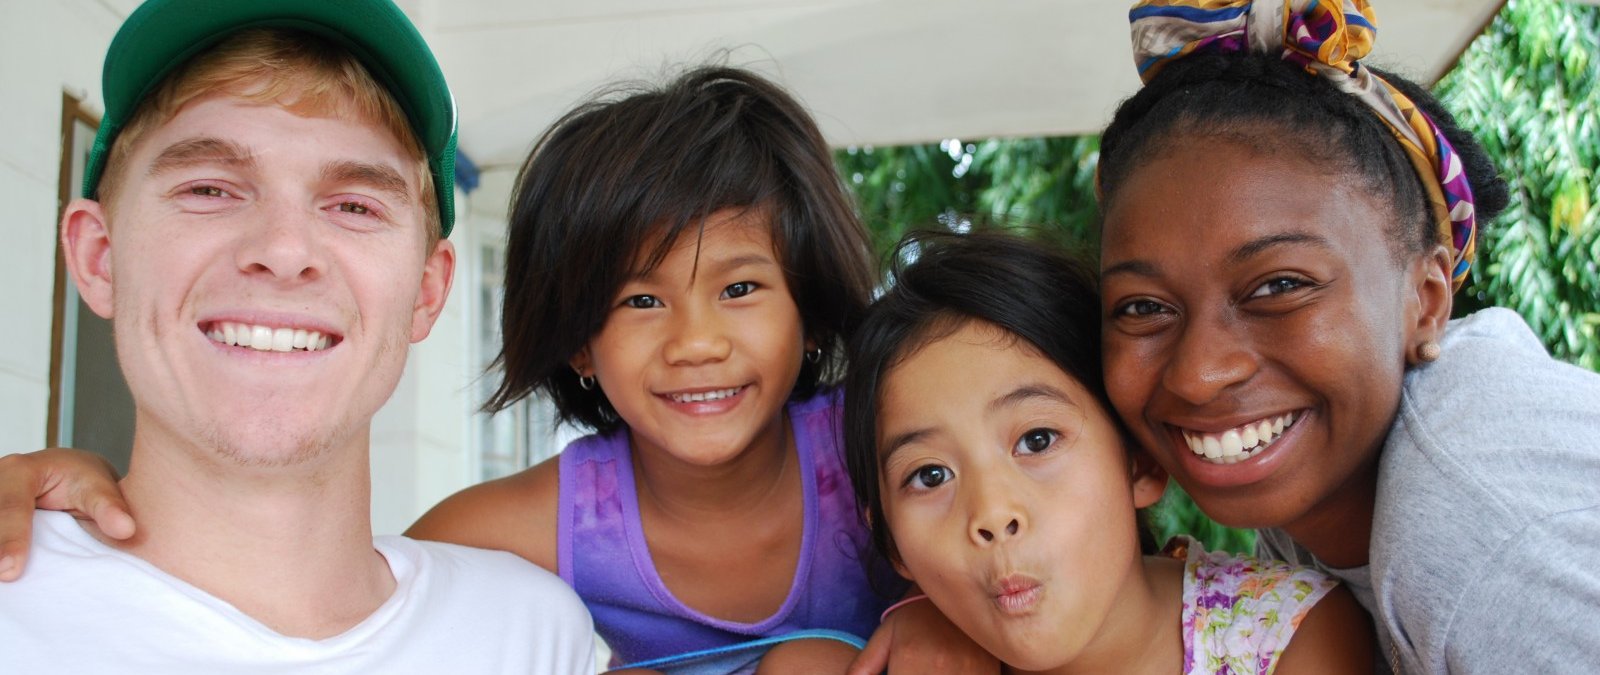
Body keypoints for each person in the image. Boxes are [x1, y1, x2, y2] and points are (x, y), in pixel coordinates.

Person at [0, 64, 993, 674]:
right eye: (639, 300)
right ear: (576, 339)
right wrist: (67, 486)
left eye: (739, 288)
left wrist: (947, 617)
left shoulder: (880, 445)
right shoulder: (506, 550)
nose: (695, 341)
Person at [0, 0, 594, 672]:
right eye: (209, 189)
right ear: (99, 257)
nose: (284, 249)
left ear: (427, 291)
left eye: (353, 205)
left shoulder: (534, 637)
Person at [1094, 1, 1600, 672]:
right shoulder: (1320, 489)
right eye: (1143, 307)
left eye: (1279, 286)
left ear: (1426, 300)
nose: (1199, 373)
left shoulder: (1473, 532)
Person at [840, 230, 1373, 674]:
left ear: (1138, 460)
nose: (992, 515)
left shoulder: (1284, 634)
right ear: (892, 541)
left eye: (1037, 440)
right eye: (930, 475)